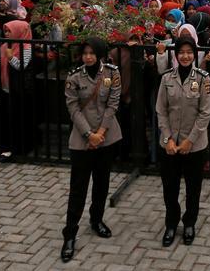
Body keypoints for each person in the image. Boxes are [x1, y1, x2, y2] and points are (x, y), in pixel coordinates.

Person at [61, 38, 121, 262]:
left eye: (92, 53)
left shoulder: (112, 74)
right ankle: (70, 234)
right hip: (82, 138)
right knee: (78, 187)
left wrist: (101, 133)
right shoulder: (75, 76)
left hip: (106, 136)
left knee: (102, 182)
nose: (88, 57)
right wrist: (89, 134)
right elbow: (73, 108)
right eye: (85, 53)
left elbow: (113, 103)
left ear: (100, 54)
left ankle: (97, 219)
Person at [156, 37, 210, 247]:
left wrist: (190, 140)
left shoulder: (203, 79)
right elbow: (161, 110)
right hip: (170, 145)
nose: (186, 56)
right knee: (170, 187)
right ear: (176, 55)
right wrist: (168, 138)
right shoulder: (166, 79)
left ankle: (189, 222)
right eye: (182, 52)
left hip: (194, 145)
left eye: (189, 52)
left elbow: (205, 113)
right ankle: (171, 224)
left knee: (193, 187)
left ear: (194, 54)